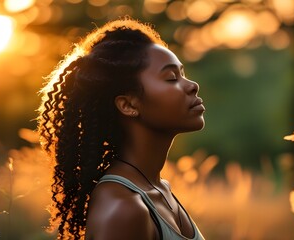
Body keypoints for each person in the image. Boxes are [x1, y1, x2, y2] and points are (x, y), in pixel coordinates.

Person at [37, 17, 206, 240]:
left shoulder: (159, 189)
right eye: (171, 77)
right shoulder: (124, 209)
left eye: (183, 74)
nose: (192, 86)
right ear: (128, 105)